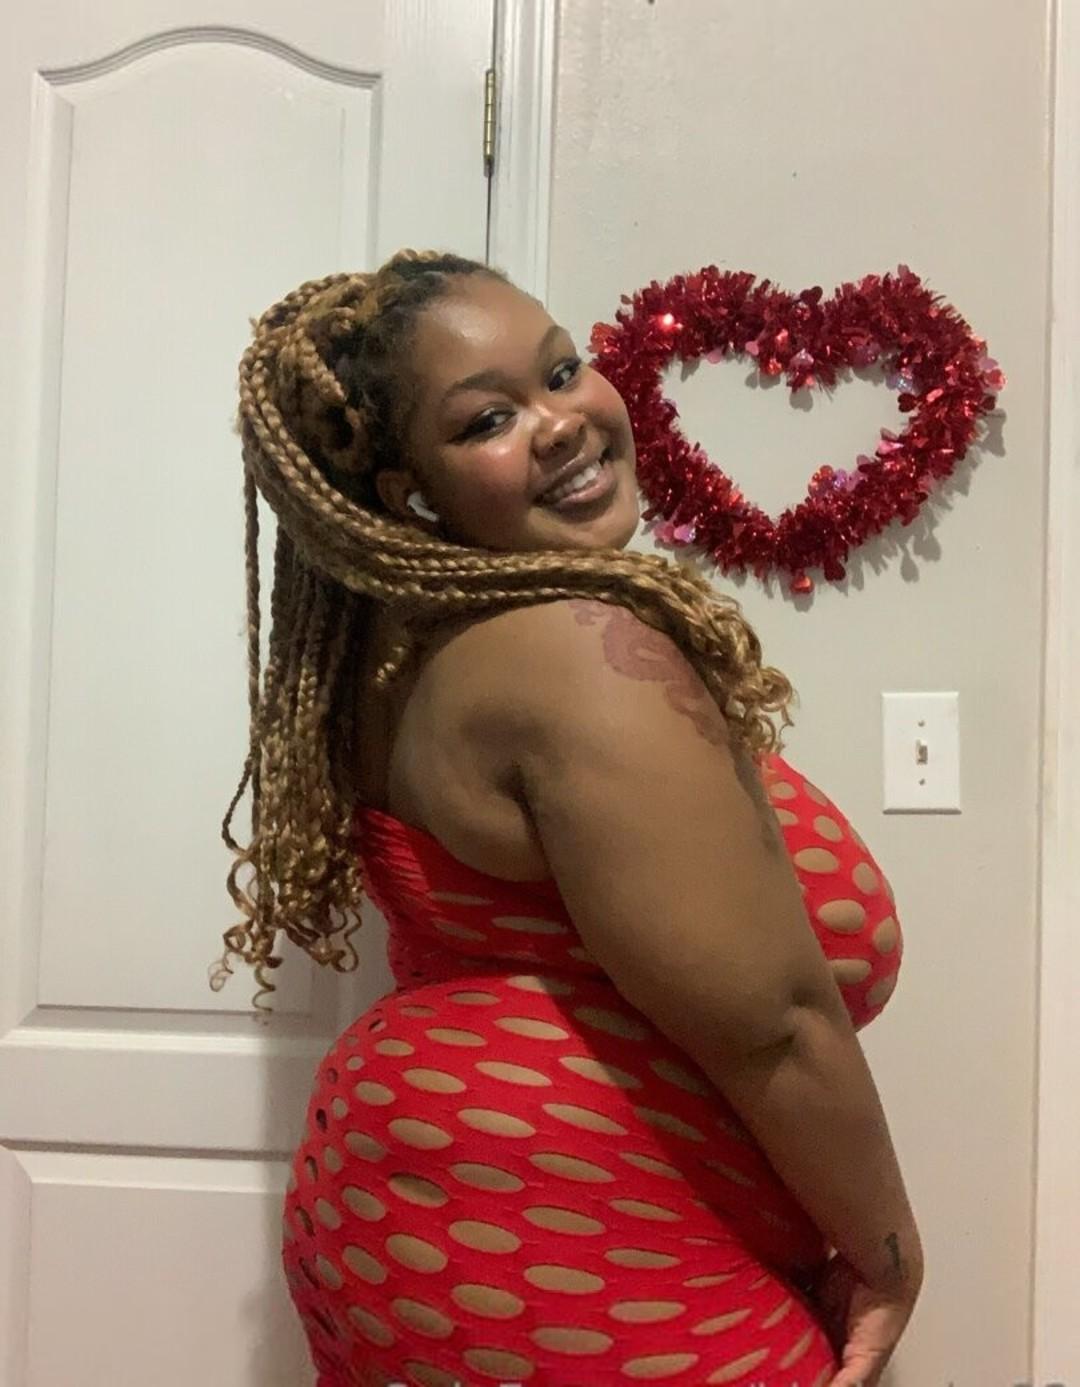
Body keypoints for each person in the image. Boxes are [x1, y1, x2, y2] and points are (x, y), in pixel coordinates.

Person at [217, 250, 923, 1387]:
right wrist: (889, 1255)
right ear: (406, 491)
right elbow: (774, 1026)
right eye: (488, 418)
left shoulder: (401, 651)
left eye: (560, 369)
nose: (561, 421)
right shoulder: (577, 656)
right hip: (551, 1248)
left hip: (422, 1210)